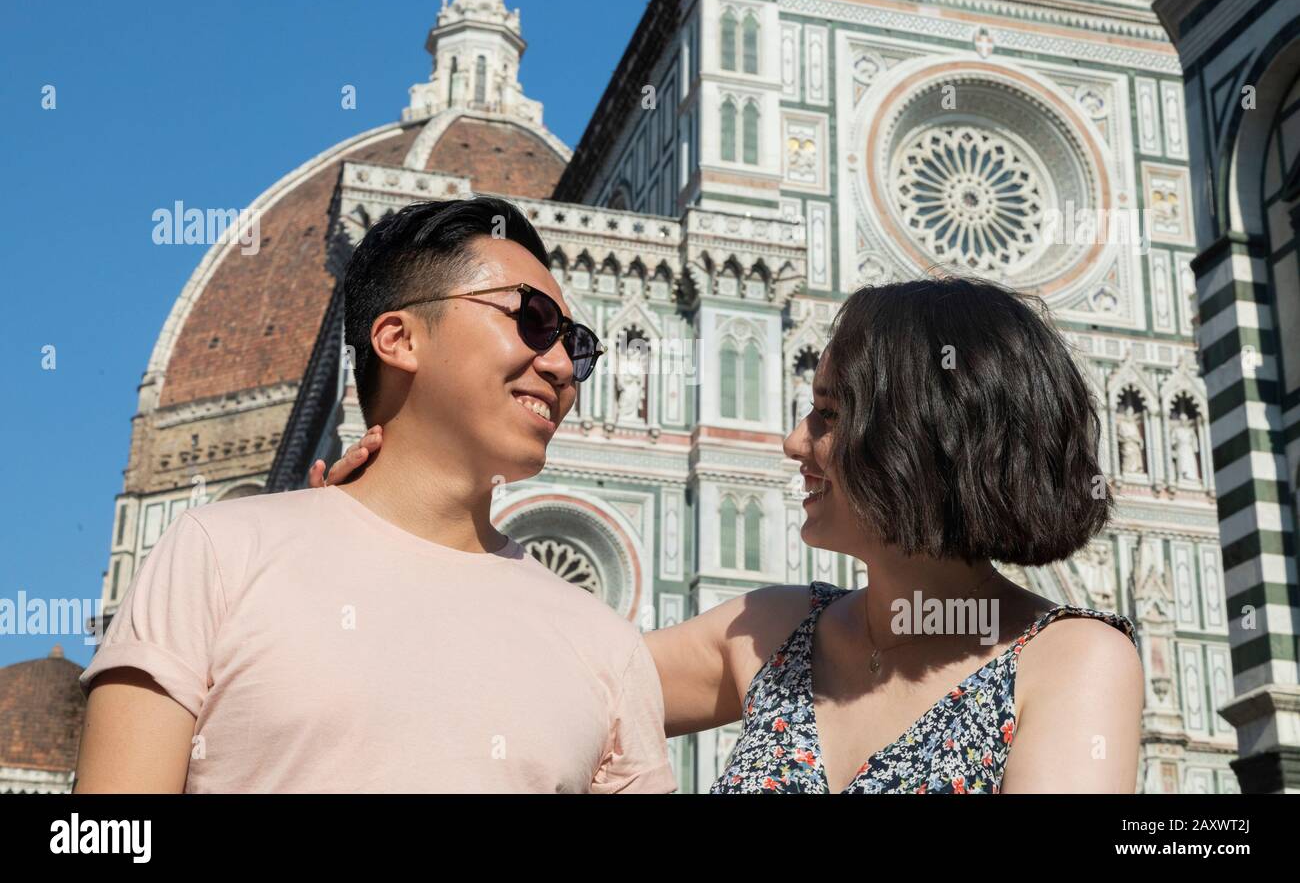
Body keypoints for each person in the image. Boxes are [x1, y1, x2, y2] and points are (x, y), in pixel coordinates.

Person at [325, 277, 1144, 793]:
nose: (793, 442)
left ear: (922, 439)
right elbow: (516, 686)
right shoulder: (771, 634)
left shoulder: (1069, 660)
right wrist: (376, 532)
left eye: (825, 418)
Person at [75, 197, 676, 793]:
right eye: (534, 321)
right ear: (398, 338)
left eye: (576, 344)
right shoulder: (219, 555)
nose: (563, 367)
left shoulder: (606, 648)